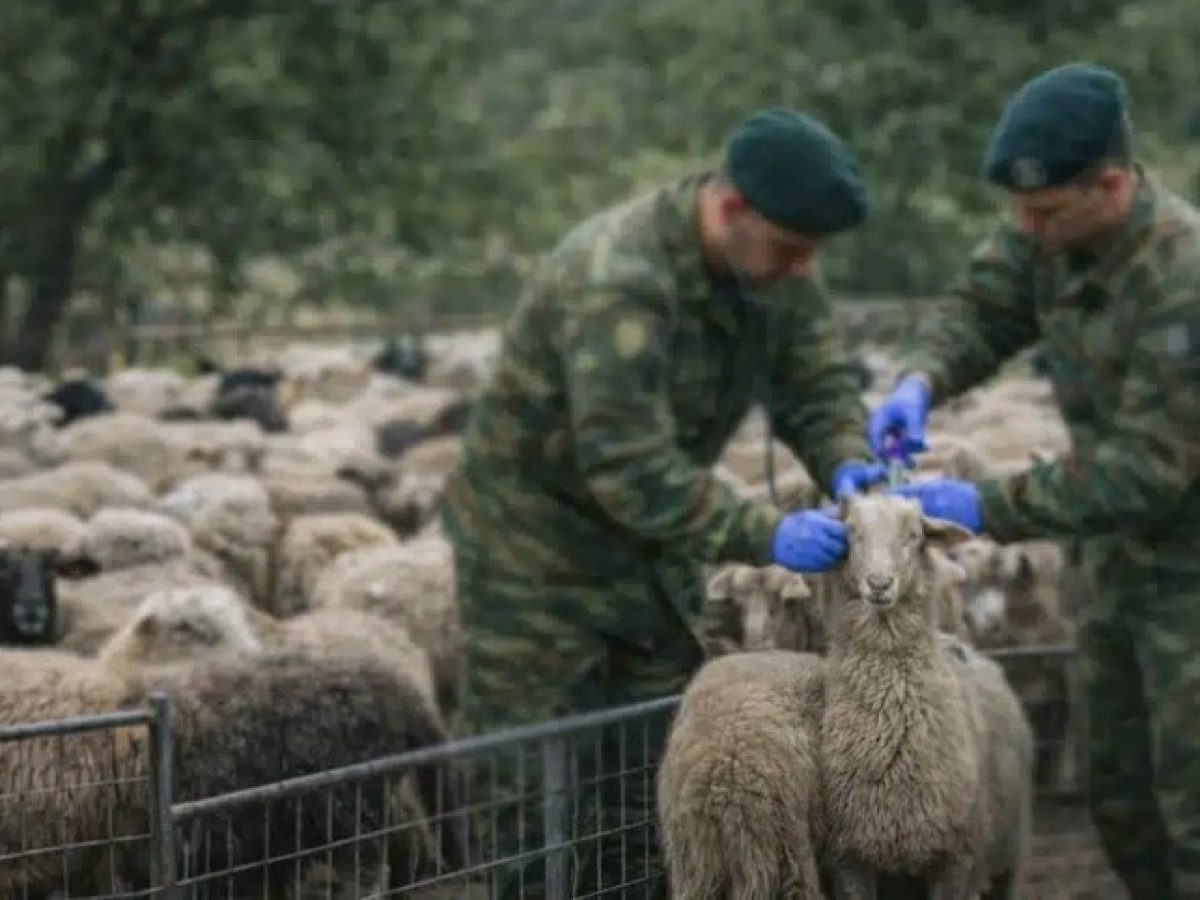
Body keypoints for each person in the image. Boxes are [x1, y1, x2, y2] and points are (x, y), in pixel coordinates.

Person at [440, 107, 883, 896]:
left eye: (812, 252)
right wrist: (764, 532)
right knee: (532, 799)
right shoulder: (619, 279)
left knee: (653, 793)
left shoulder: (771, 272)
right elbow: (626, 464)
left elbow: (816, 383)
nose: (802, 270)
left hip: (653, 559)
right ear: (730, 208)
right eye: (790, 247)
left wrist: (849, 463)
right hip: (535, 565)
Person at [869, 63, 1200, 899]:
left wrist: (989, 505)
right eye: (1019, 211)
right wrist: (921, 379)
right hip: (1116, 571)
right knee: (1120, 796)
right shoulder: (1048, 235)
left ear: (1113, 186)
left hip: (1188, 567)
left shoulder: (1183, 282)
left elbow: (1149, 466)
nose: (1026, 227)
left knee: (1194, 802)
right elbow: (985, 307)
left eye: (1045, 211)